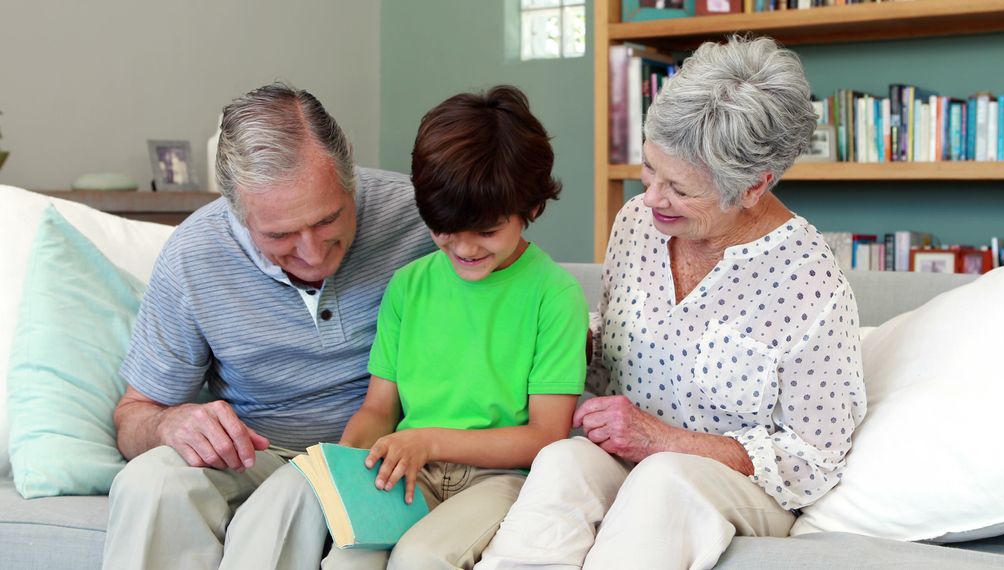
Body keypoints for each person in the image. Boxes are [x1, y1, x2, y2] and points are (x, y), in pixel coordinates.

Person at [478, 36, 867, 570]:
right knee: (563, 460)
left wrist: (662, 439)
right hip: (625, 458)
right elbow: (611, 352)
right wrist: (563, 339)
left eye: (681, 189)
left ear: (754, 186)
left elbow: (814, 457)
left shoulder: (809, 282)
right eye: (649, 168)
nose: (654, 197)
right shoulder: (637, 222)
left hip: (734, 483)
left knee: (665, 477)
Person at [102, 82, 436, 569]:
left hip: (379, 457)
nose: (312, 253)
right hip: (254, 456)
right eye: (280, 235)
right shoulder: (195, 253)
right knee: (149, 480)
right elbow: (133, 415)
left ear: (350, 180)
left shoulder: (420, 218)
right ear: (236, 213)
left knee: (291, 500)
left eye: (328, 220)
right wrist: (166, 423)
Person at [322, 85, 589, 570]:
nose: (465, 249)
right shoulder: (408, 287)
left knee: (422, 558)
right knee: (346, 560)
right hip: (409, 471)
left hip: (499, 479)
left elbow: (546, 436)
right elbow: (379, 408)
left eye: (486, 231)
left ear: (530, 207)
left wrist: (429, 440)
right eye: (446, 229)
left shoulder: (554, 295)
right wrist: (344, 465)